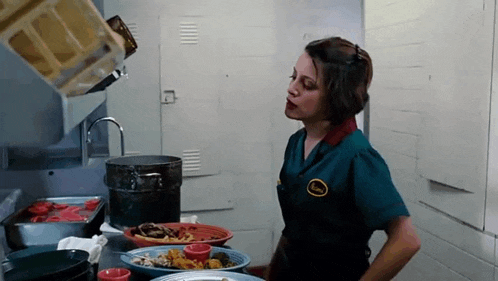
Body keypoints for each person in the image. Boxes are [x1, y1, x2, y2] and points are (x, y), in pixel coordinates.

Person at [265, 37, 421, 281]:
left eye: (307, 85)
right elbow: (295, 227)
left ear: (335, 97)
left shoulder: (357, 156)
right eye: (293, 77)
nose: (292, 88)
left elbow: (406, 239)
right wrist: (270, 275)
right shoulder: (296, 143)